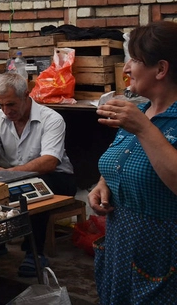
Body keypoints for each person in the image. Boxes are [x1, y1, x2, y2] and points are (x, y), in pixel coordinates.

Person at [88, 21, 177, 304]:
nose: (125, 69)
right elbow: (123, 162)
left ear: (161, 69)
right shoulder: (139, 113)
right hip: (120, 246)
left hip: (162, 253)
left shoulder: (139, 121)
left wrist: (143, 128)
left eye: (134, 60)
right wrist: (102, 185)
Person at [0, 72, 76, 277]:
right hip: (13, 176)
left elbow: (50, 161)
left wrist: (7, 173)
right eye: (1, 105)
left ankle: (34, 252)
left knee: (33, 188)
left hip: (58, 177)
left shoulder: (51, 119)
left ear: (26, 95)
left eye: (11, 104)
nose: (6, 111)